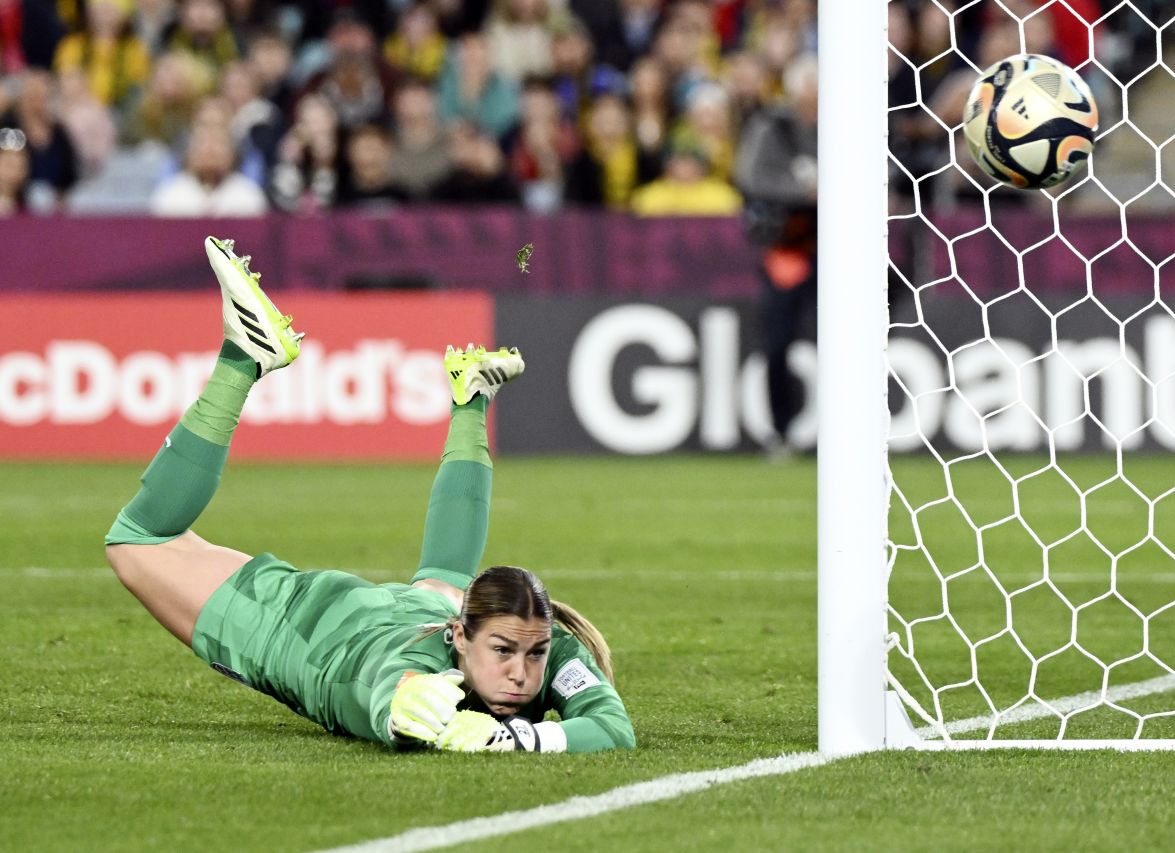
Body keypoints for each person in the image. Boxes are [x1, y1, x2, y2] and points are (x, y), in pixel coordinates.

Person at [104, 237, 635, 754]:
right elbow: (383, 690)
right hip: (308, 627)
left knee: (444, 580)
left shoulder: (536, 637)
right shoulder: (418, 671)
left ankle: (470, 402)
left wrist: (515, 737)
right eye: (503, 651)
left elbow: (615, 728)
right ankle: (244, 359)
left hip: (421, 610)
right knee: (137, 541)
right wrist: (400, 707)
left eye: (534, 653)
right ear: (459, 639)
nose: (521, 674)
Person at [733, 52, 816, 456]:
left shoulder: (849, 125)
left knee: (849, 343)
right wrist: (806, 192)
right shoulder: (773, 128)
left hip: (841, 255)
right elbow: (750, 178)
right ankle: (781, 431)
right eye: (812, 94)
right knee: (779, 342)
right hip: (788, 251)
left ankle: (846, 429)